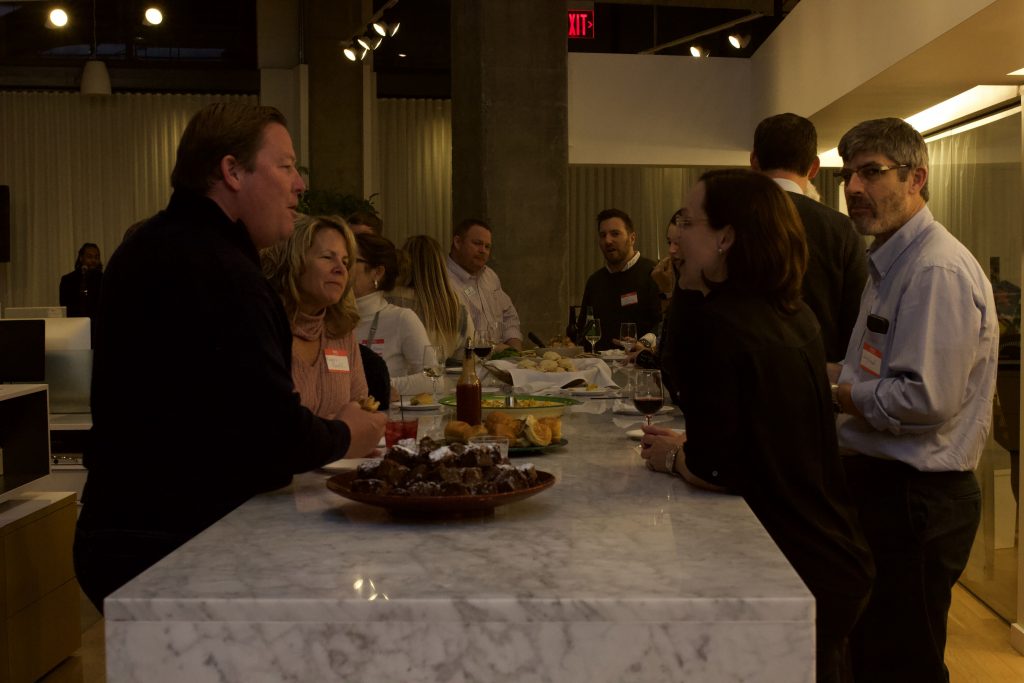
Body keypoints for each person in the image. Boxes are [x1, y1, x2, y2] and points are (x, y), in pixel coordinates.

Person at [73, 102, 386, 612]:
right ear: (232, 171)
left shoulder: (151, 246)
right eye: (285, 166)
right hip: (174, 545)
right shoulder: (222, 272)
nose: (299, 184)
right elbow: (268, 433)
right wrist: (350, 432)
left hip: (122, 529)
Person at [640, 169, 874, 683]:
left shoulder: (717, 326)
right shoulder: (790, 311)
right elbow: (763, 434)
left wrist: (674, 457)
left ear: (725, 238)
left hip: (790, 566)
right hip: (833, 555)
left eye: (688, 220)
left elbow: (719, 468)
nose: (676, 234)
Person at [831, 117, 998, 682]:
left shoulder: (934, 269)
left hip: (915, 500)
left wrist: (835, 395)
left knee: (902, 666)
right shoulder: (890, 264)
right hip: (888, 492)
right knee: (878, 654)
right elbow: (876, 368)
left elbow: (924, 398)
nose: (854, 188)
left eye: (872, 172)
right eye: (849, 174)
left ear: (916, 178)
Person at [751, 113, 868, 362]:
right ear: (814, 167)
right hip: (818, 376)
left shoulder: (725, 220)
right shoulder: (841, 229)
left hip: (738, 381)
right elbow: (856, 319)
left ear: (754, 161)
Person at [261, 214, 372, 430]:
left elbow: (361, 406)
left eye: (346, 261)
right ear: (294, 262)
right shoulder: (265, 327)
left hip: (342, 461)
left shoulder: (341, 330)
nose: (341, 269)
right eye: (327, 257)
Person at [353, 231, 434, 399]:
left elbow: (433, 378)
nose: (340, 267)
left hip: (385, 419)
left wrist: (383, 386)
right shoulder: (328, 318)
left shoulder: (401, 319)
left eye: (351, 261)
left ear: (377, 272)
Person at [577, 208, 661, 351]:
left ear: (632, 238)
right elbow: (583, 331)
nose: (608, 241)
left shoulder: (654, 273)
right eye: (603, 235)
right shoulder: (594, 282)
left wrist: (645, 343)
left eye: (615, 234)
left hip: (640, 366)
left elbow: (663, 323)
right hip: (599, 368)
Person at [390, 234, 474, 361]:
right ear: (440, 266)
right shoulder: (455, 308)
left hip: (394, 378)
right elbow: (468, 356)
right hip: (439, 377)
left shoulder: (387, 300)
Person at [446, 218, 522, 350]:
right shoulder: (442, 279)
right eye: (477, 243)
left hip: (502, 362)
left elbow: (509, 316)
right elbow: (454, 334)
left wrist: (514, 351)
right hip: (465, 364)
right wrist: (495, 349)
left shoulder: (490, 276)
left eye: (487, 246)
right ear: (458, 242)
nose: (483, 250)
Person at [59, 242, 103, 320]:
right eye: (89, 257)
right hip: (74, 325)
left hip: (98, 325)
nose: (93, 260)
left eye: (96, 257)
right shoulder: (68, 280)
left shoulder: (104, 279)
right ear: (81, 258)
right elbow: (65, 308)